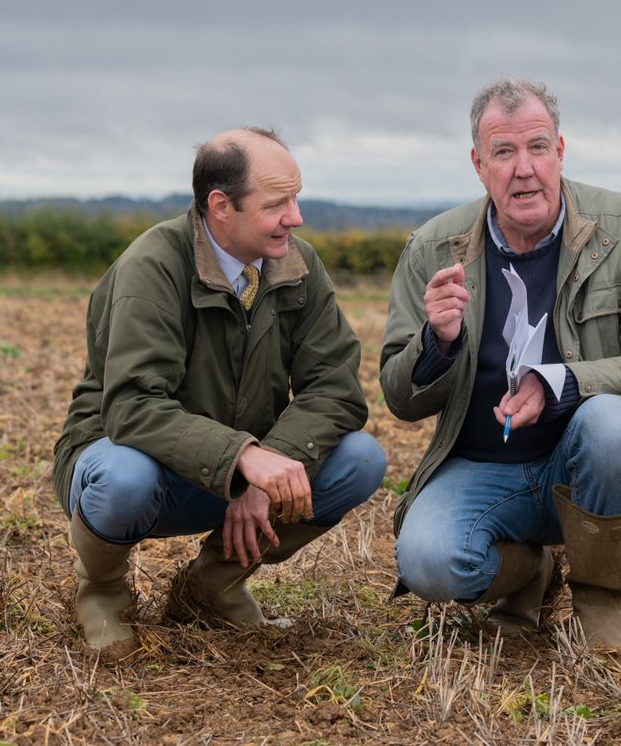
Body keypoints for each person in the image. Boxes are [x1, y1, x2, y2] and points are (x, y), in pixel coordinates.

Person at [379, 78, 621, 655]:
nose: (523, 169)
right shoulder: (431, 249)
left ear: (561, 151)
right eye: (503, 152)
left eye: (537, 147)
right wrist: (439, 341)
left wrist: (564, 383)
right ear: (478, 165)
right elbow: (401, 401)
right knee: (427, 563)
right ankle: (529, 575)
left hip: (584, 468)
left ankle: (602, 611)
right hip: (482, 468)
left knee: (610, 422)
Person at [51, 127, 385, 651]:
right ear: (221, 205)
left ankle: (212, 584)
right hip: (131, 464)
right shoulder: (153, 266)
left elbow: (336, 388)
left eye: (295, 198)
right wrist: (243, 459)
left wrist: (265, 464)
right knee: (124, 477)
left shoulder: (298, 266)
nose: (295, 217)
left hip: (231, 471)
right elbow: (132, 407)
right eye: (277, 203)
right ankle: (102, 591)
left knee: (360, 459)